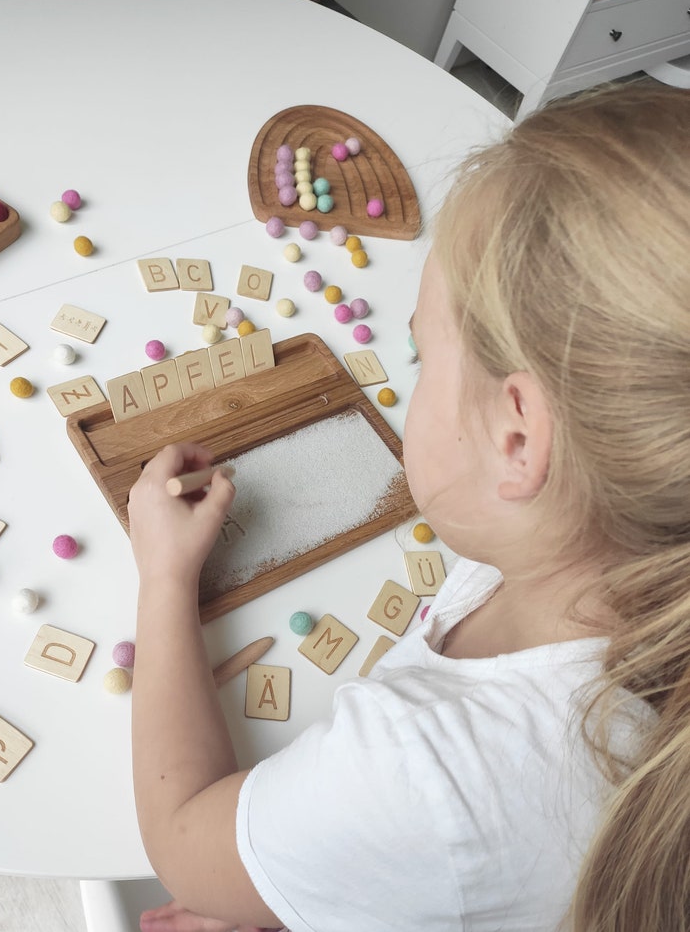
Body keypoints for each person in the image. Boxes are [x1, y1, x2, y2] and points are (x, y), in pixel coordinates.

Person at [127, 79, 690, 932]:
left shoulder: (421, 769)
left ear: (518, 438)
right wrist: (342, 874)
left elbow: (181, 841)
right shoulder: (596, 539)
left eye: (423, 355)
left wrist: (164, 576)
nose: (409, 382)